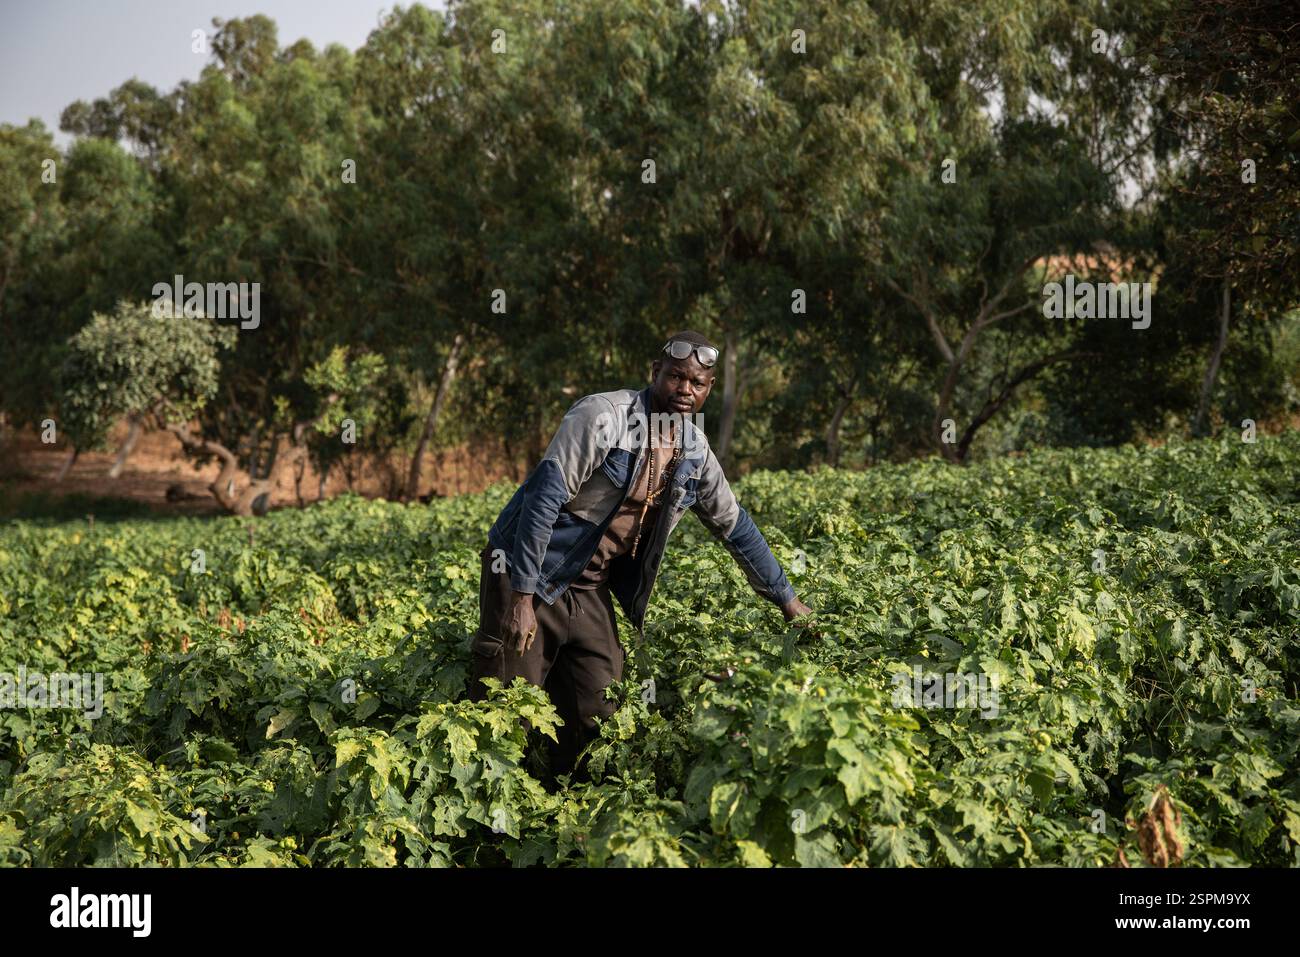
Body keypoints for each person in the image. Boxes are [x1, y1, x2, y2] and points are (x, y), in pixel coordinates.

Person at [467, 330, 813, 779]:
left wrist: (788, 600)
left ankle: (561, 812)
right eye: (676, 377)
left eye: (698, 383)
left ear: (708, 390)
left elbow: (735, 526)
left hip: (588, 585)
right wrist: (520, 600)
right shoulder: (602, 416)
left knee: (601, 709)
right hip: (529, 572)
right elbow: (542, 500)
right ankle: (489, 823)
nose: (685, 390)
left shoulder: (694, 452)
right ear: (656, 373)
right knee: (507, 705)